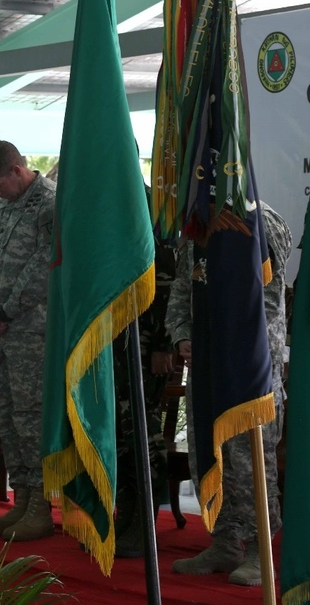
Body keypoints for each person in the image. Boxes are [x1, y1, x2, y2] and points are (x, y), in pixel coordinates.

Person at [166, 202, 291, 586]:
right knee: (208, 450)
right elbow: (185, 287)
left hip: (248, 366)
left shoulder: (262, 221)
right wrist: (182, 334)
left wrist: (233, 344)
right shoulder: (197, 224)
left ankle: (259, 549)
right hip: (207, 364)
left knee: (250, 459)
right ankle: (224, 541)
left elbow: (266, 299)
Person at [0, 140, 56, 542]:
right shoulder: (4, 204)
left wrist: (5, 311)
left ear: (17, 170)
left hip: (33, 331)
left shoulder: (49, 204)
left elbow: (45, 265)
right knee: (6, 415)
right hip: (2, 333)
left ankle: (41, 506)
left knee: (32, 419)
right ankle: (20, 501)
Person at [112, 221, 177, 557]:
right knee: (119, 433)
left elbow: (166, 279)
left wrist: (164, 344)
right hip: (112, 339)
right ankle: (126, 510)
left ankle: (145, 521)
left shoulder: (147, 209)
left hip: (145, 341)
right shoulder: (101, 208)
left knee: (142, 429)